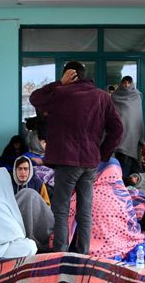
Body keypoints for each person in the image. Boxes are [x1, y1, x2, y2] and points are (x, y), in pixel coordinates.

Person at [29, 61, 123, 254]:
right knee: (85, 211)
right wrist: (102, 154)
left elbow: (35, 98)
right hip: (90, 162)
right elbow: (117, 129)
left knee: (61, 210)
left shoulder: (61, 94)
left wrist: (58, 84)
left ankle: (61, 254)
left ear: (69, 76)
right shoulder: (102, 97)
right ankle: (83, 254)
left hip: (66, 161)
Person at [110, 76, 144, 177]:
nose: (126, 85)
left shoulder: (137, 96)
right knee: (119, 157)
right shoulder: (114, 96)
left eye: (129, 83)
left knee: (129, 158)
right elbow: (111, 114)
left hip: (132, 132)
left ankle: (126, 181)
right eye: (124, 82)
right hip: (118, 132)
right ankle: (120, 180)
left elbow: (137, 115)